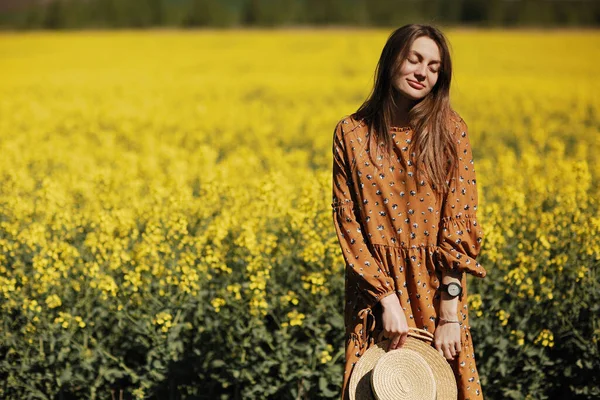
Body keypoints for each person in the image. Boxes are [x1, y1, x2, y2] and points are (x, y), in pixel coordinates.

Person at [331, 24, 487, 400]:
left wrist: (450, 315)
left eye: (433, 67)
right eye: (414, 59)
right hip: (374, 297)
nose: (422, 73)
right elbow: (349, 225)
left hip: (437, 296)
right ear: (391, 62)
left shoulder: (450, 131)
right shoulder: (351, 134)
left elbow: (459, 224)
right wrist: (386, 300)